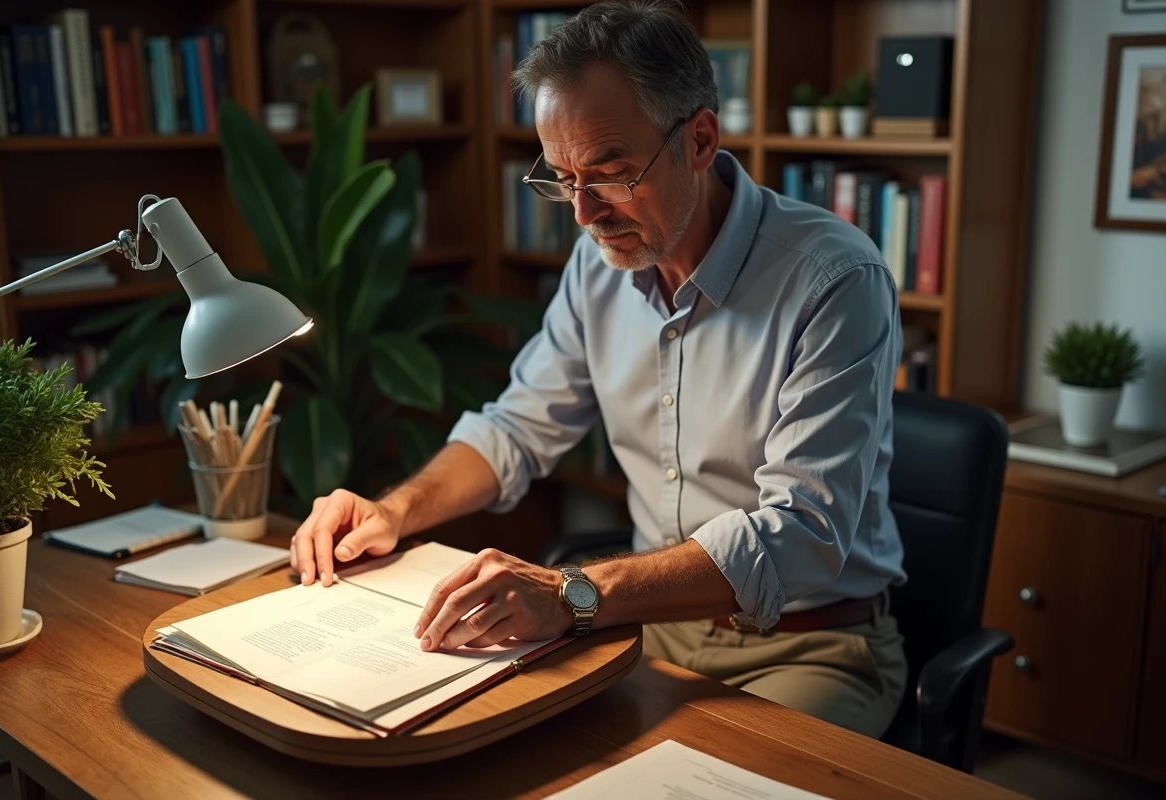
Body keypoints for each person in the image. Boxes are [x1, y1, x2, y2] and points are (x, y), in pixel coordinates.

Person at [290, 0, 908, 738]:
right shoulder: (600, 264)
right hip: (649, 627)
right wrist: (395, 510)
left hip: (811, 647)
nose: (583, 214)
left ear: (701, 138)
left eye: (611, 174)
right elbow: (518, 428)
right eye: (560, 178)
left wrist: (572, 592)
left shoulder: (834, 280)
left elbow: (800, 533)